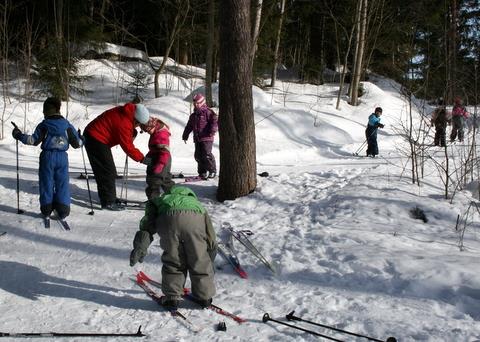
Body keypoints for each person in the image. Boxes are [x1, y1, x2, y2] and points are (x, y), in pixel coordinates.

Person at [129, 185, 217, 310]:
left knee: (173, 260)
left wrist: (140, 247)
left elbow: (147, 227)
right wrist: (210, 255)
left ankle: (172, 298)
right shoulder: (197, 205)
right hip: (194, 222)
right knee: (199, 260)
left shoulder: (160, 201)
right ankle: (205, 297)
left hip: (168, 220)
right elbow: (210, 234)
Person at [11, 97, 83, 220]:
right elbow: (77, 144)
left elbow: (33, 140)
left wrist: (18, 135)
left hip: (47, 157)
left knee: (46, 182)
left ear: (46, 111)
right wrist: (82, 138)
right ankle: (63, 209)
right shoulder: (67, 125)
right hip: (62, 158)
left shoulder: (44, 125)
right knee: (62, 183)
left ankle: (46, 208)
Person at [83, 102, 150, 210]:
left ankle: (110, 197)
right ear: (136, 119)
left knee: (109, 171)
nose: (138, 127)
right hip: (94, 138)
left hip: (98, 137)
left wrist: (132, 132)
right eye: (138, 124)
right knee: (106, 170)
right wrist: (142, 159)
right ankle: (108, 201)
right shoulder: (124, 123)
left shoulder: (127, 113)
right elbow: (128, 146)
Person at [182, 93, 218, 179]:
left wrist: (213, 130)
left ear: (202, 102)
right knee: (198, 155)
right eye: (194, 103)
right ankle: (202, 172)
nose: (196, 105)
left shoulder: (208, 112)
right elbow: (189, 126)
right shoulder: (193, 116)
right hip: (197, 138)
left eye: (198, 103)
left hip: (207, 137)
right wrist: (185, 135)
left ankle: (212, 170)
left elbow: (214, 122)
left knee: (206, 154)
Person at [140, 116, 175, 199]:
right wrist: (148, 156)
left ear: (152, 126)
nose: (147, 132)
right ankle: (174, 197)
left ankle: (153, 200)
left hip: (162, 160)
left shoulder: (161, 135)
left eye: (148, 130)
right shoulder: (156, 132)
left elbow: (164, 152)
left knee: (154, 180)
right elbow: (155, 148)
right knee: (165, 180)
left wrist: (161, 164)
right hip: (158, 158)